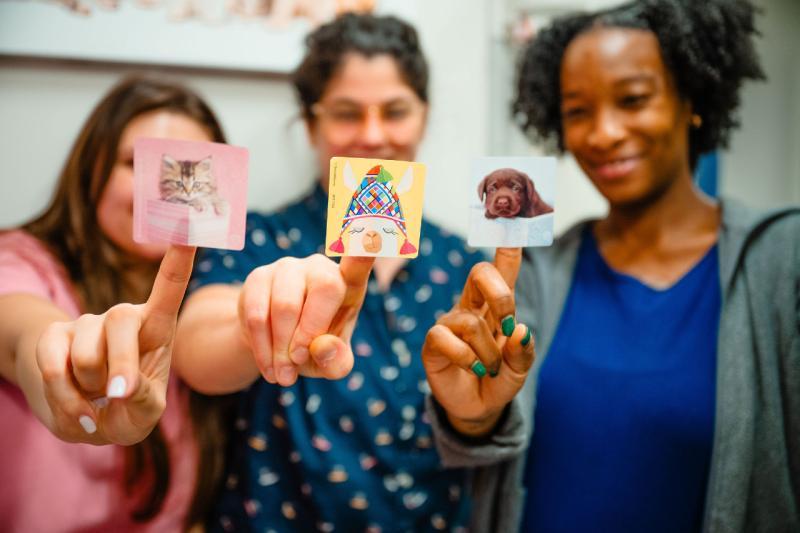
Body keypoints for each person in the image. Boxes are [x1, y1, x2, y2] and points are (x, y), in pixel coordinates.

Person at [421, 1, 800, 532]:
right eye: (578, 110)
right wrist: (474, 414)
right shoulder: (532, 272)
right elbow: (489, 426)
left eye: (633, 99)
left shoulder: (783, 261)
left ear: (692, 97)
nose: (602, 133)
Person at [173, 13, 485, 532]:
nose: (372, 135)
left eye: (395, 112)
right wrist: (260, 317)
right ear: (311, 122)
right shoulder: (261, 240)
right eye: (346, 113)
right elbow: (196, 349)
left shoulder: (460, 262)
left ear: (423, 118)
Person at [0, 75, 227, 531]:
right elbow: (21, 334)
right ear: (92, 170)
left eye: (189, 170)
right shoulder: (21, 263)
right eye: (136, 163)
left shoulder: (211, 294)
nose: (168, 189)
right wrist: (64, 357)